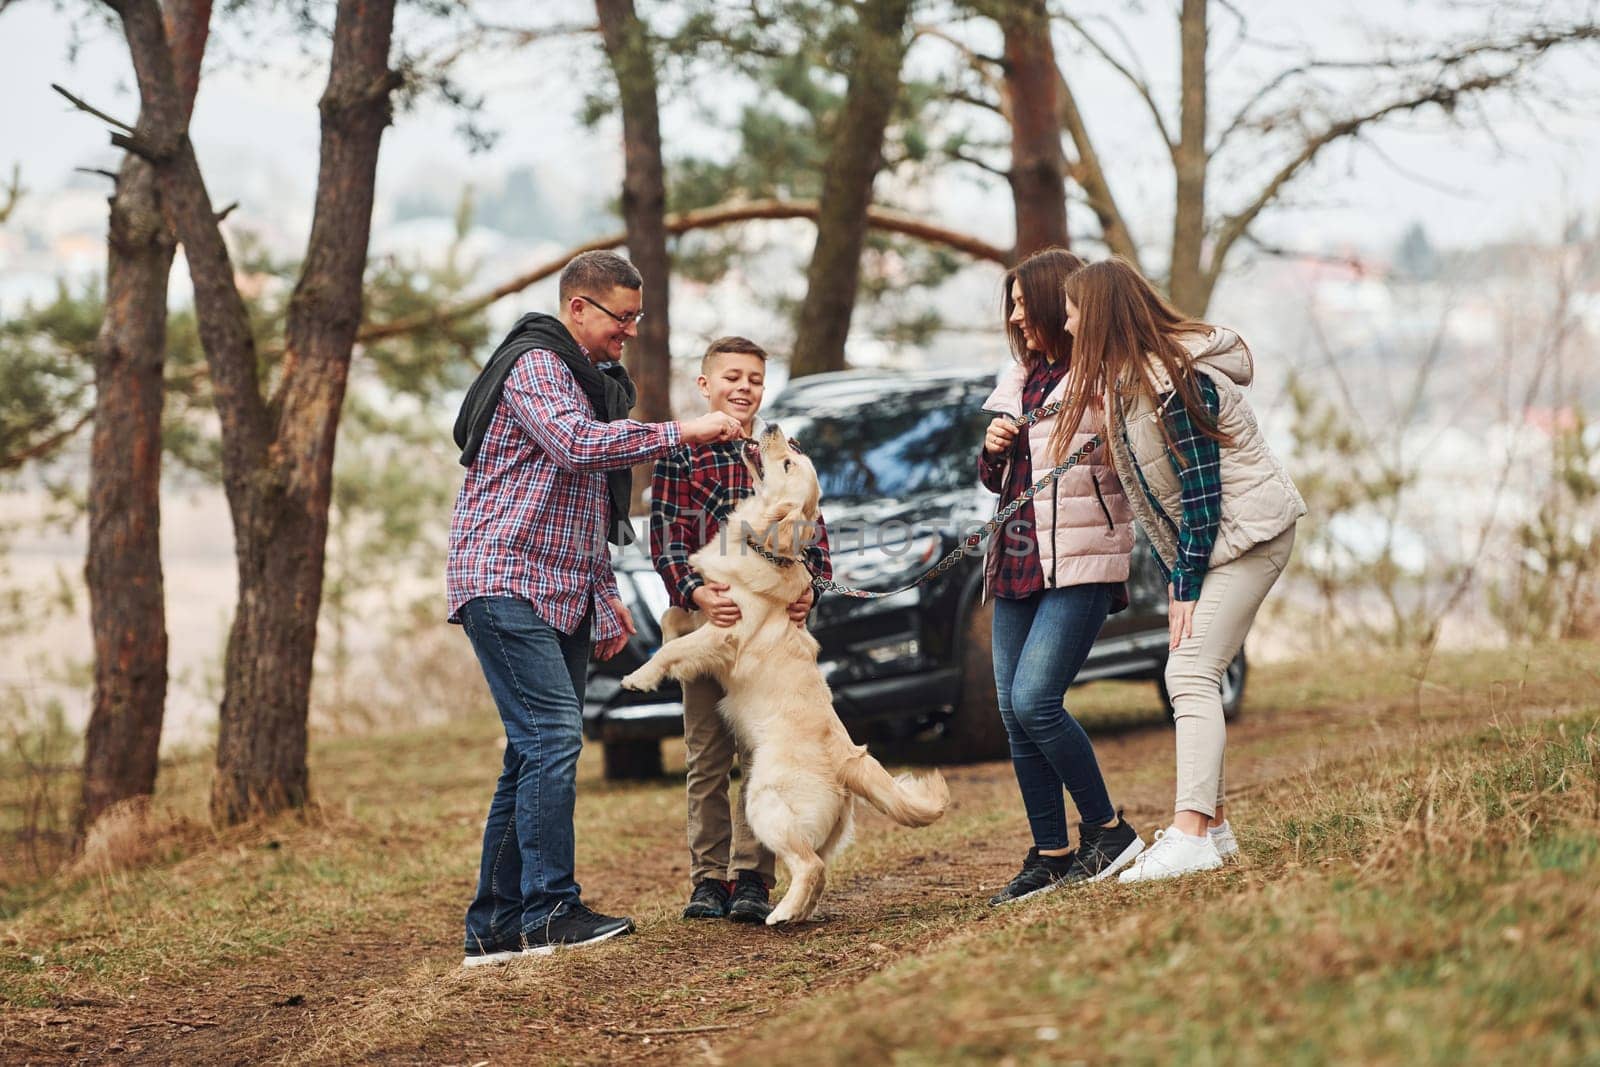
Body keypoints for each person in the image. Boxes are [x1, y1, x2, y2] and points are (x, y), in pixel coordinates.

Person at [447, 251, 745, 967]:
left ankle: (494, 924)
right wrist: (685, 430)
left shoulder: (591, 381)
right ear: (579, 308)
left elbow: (581, 503)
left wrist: (603, 593)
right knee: (552, 736)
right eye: (622, 316)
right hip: (506, 578)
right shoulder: (537, 367)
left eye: (637, 318)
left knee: (530, 751)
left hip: (561, 584)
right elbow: (578, 449)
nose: (630, 332)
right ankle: (551, 908)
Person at [1053, 256, 1305, 883]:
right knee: (1193, 669)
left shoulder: (1173, 382)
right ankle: (1213, 830)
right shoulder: (1130, 382)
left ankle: (1190, 830)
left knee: (1189, 673)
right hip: (1223, 541)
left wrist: (1184, 584)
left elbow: (1201, 492)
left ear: (1100, 314)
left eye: (1073, 308)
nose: (1066, 319)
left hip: (1252, 535)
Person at [979, 248, 1146, 906]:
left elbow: (1128, 463)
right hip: (1016, 557)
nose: (1017, 315)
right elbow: (1002, 483)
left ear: (1056, 302)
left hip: (1081, 560)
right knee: (1012, 715)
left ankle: (1109, 830)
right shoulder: (1019, 377)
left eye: (1024, 302)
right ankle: (1050, 852)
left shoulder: (1103, 375)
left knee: (1036, 701)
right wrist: (992, 449)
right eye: (1013, 305)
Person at [649, 336, 833, 924]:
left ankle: (753, 876)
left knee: (762, 750)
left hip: (770, 634)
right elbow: (667, 538)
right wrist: (694, 591)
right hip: (706, 623)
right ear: (706, 384)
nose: (744, 387)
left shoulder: (783, 454)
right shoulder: (681, 453)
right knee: (706, 754)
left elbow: (813, 532)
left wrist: (810, 588)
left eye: (754, 378)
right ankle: (708, 880)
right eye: (731, 376)